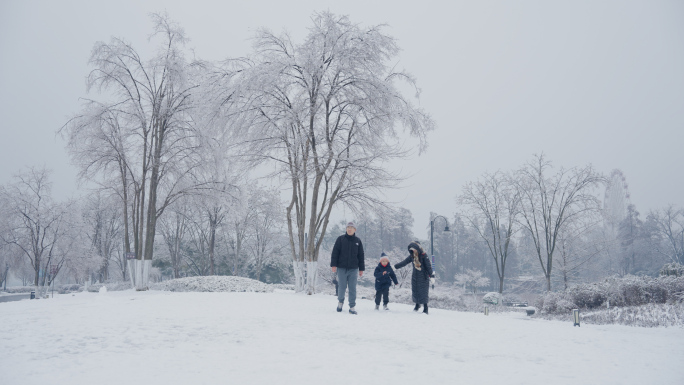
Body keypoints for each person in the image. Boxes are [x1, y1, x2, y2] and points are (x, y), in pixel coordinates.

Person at [330, 222, 365, 314]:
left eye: (351, 227)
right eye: (348, 227)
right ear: (346, 229)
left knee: (352, 287)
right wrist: (334, 265)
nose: (349, 229)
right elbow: (335, 253)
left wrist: (361, 269)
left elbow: (361, 255)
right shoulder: (340, 239)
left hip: (353, 269)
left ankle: (352, 306)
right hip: (341, 268)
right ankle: (340, 302)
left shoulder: (358, 241)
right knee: (342, 286)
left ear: (355, 230)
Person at [393, 241, 435, 314]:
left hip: (423, 277)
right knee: (415, 291)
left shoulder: (424, 255)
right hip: (415, 277)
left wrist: (431, 276)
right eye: (411, 250)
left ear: (418, 248)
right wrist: (395, 267)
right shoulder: (412, 256)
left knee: (424, 293)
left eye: (414, 249)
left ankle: (425, 307)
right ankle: (417, 305)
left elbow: (428, 266)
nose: (413, 251)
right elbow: (404, 262)